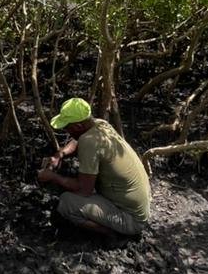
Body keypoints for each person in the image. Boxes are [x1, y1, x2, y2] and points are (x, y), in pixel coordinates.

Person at [37, 97, 151, 238]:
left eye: (67, 127)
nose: (66, 131)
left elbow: (84, 190)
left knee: (66, 203)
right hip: (139, 209)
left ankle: (113, 234)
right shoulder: (99, 125)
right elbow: (77, 140)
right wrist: (60, 154)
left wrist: (52, 177)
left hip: (131, 220)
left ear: (78, 126)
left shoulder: (89, 142)